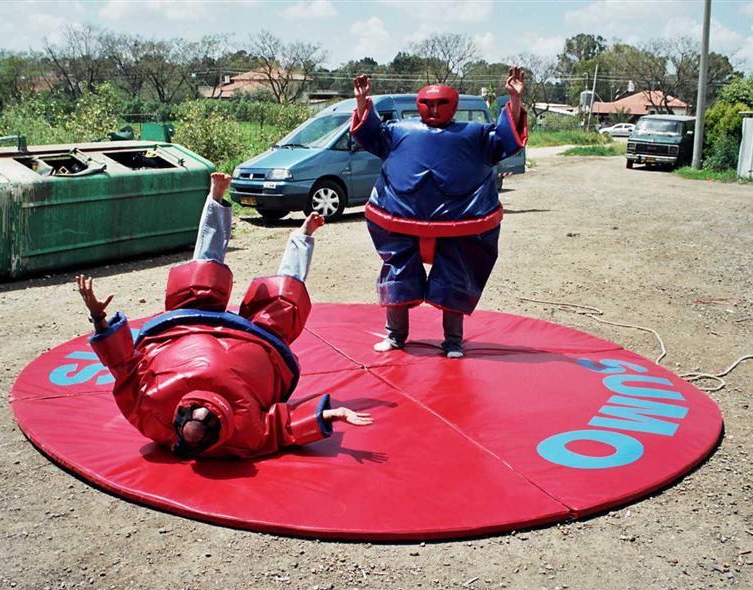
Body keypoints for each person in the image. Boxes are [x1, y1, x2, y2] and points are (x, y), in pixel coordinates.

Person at [76, 172, 372, 459]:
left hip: (182, 329)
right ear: (217, 428)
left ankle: (216, 203)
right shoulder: (243, 434)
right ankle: (303, 238)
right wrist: (329, 414)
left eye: (192, 414)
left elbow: (123, 368)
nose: (200, 413)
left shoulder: (153, 415)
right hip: (261, 343)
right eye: (206, 420)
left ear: (180, 419)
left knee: (200, 277)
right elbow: (282, 428)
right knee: (285, 299)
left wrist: (98, 318)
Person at [350, 67, 528, 358]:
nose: (433, 109)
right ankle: (395, 336)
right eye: (427, 103)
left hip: (460, 220)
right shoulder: (397, 131)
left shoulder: (476, 134)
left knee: (454, 280)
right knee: (398, 275)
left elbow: (506, 141)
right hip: (400, 216)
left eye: (440, 103)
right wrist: (361, 102)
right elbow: (370, 136)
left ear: (454, 106)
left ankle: (453, 342)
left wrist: (514, 99)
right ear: (417, 105)